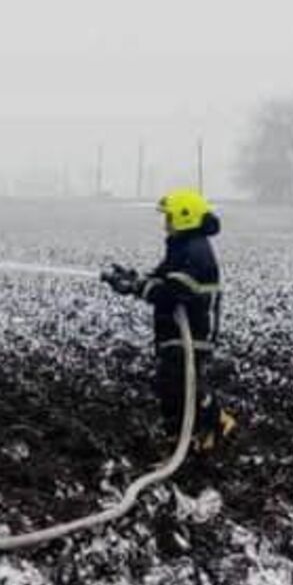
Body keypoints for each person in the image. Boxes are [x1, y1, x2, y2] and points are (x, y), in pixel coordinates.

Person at [103, 189, 239, 454]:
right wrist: (132, 279)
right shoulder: (184, 246)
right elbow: (162, 277)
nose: (165, 224)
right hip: (176, 332)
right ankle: (184, 439)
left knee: (181, 387)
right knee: (172, 387)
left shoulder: (195, 251)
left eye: (169, 218)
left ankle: (215, 423)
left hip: (191, 333)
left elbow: (172, 292)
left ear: (184, 218)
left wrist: (138, 288)